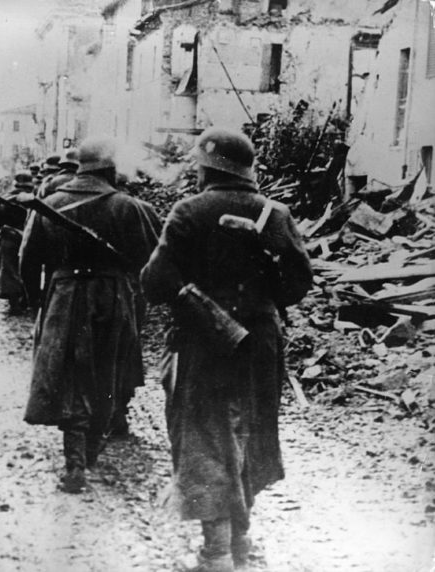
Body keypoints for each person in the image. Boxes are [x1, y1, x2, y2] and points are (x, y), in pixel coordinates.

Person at [140, 127, 313, 572]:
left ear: (207, 168)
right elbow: (298, 284)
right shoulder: (275, 213)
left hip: (203, 341)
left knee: (203, 437)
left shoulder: (188, 211)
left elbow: (153, 283)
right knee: (249, 431)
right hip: (260, 342)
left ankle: (216, 552)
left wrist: (194, 296)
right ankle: (240, 539)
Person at [20, 136, 161, 493]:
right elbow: (149, 260)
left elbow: (28, 259)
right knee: (108, 372)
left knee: (70, 374)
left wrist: (40, 299)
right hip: (113, 296)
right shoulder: (128, 207)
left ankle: (75, 464)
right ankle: (93, 450)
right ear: (111, 169)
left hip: (64, 293)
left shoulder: (50, 203)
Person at [0, 171, 34, 313]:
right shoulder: (33, 199)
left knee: (9, 269)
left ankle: (14, 303)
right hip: (28, 238)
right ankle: (27, 300)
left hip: (9, 237)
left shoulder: (5, 198)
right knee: (28, 268)